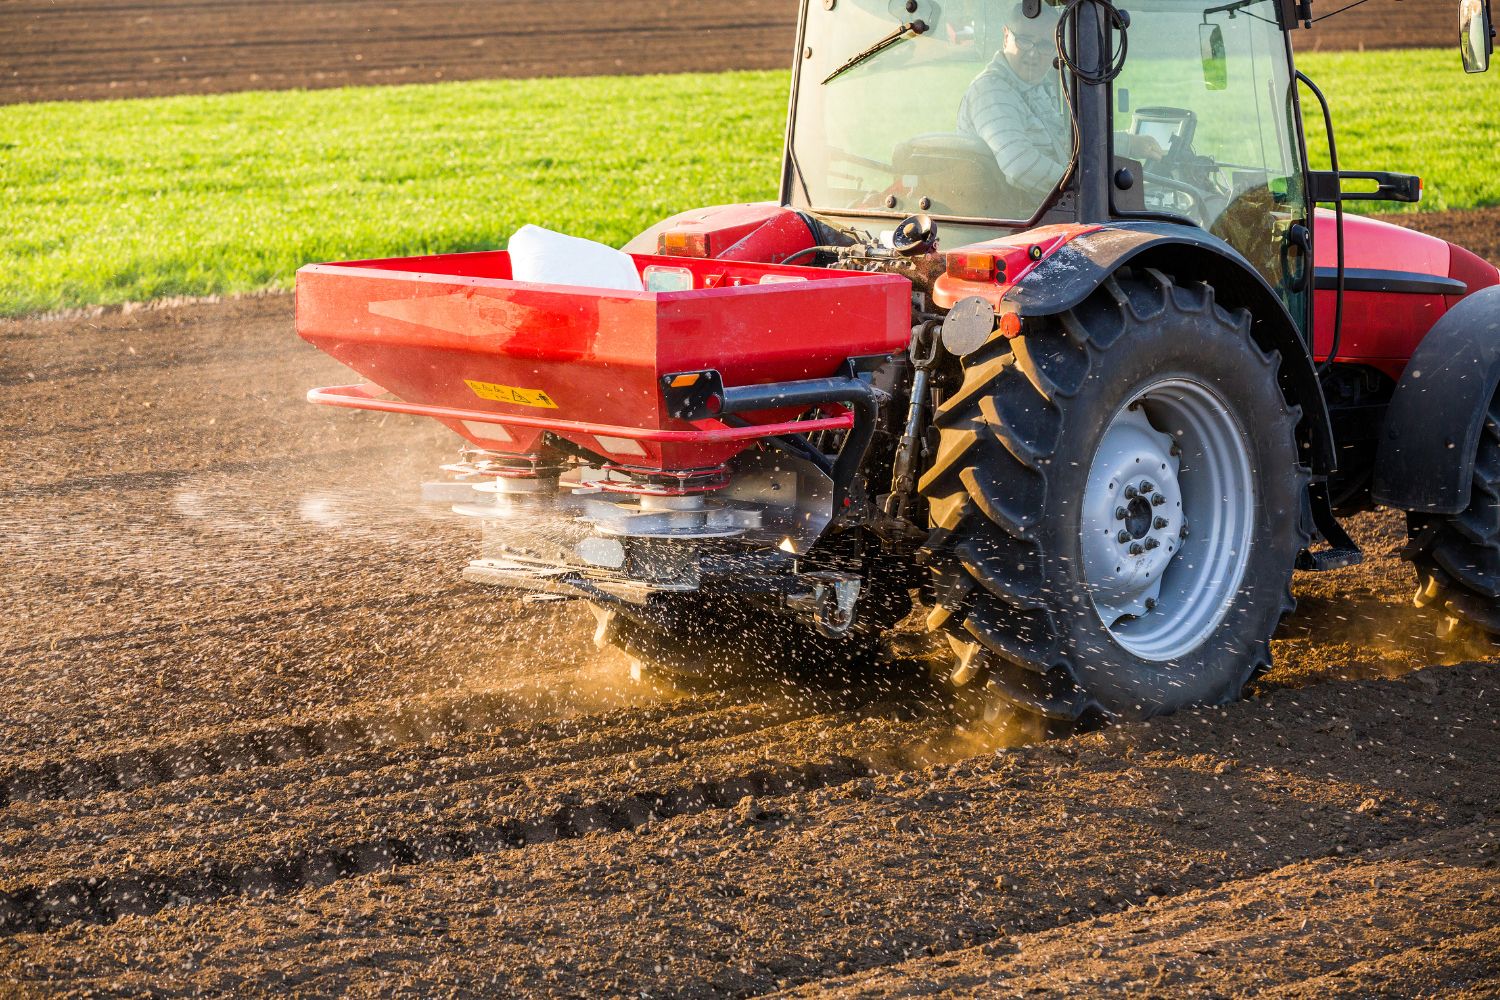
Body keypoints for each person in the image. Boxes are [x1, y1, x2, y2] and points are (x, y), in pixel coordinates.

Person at [957, 3, 1163, 203]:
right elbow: (1021, 167)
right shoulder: (992, 91)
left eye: (1045, 45)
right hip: (1020, 220)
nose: (1032, 53)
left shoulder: (1040, 84)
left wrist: (1129, 143)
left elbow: (1066, 140)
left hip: (1045, 210)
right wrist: (1089, 189)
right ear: (1005, 36)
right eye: (1024, 40)